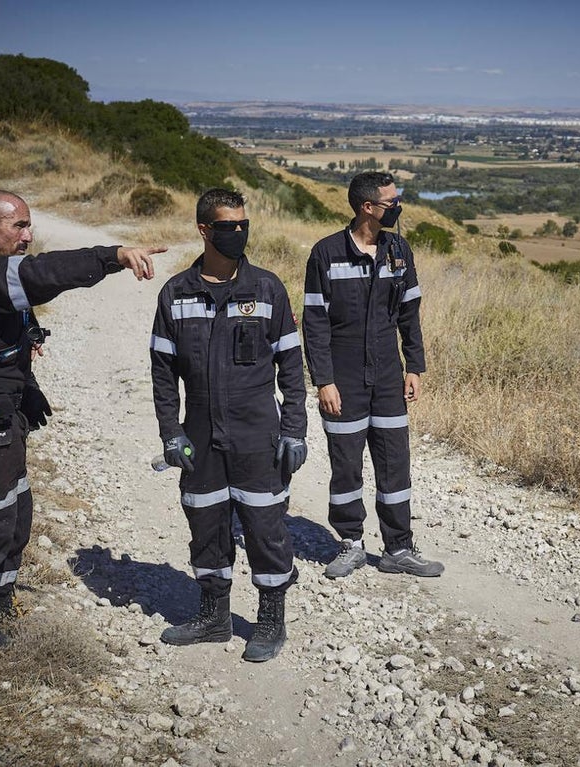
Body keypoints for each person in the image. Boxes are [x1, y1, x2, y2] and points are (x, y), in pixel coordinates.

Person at [0, 189, 164, 648]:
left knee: (15, 510)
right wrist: (112, 255)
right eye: (19, 226)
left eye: (29, 225)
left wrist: (25, 337)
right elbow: (44, 273)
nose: (28, 235)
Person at [150, 188, 307, 663]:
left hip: (257, 431)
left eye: (243, 224)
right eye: (227, 226)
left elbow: (292, 368)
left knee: (266, 526)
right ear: (204, 230)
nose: (238, 233)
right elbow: (162, 371)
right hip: (200, 432)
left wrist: (295, 430)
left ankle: (271, 620)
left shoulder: (267, 289)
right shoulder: (176, 294)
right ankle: (213, 618)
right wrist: (170, 432)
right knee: (205, 520)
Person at [303, 171, 443, 579]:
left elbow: (409, 315)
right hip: (343, 378)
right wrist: (323, 380)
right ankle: (350, 544)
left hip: (387, 377)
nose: (397, 207)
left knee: (394, 463)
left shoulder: (399, 249)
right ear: (368, 207)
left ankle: (398, 547)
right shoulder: (326, 253)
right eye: (390, 202)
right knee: (346, 464)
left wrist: (414, 366)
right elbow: (314, 323)